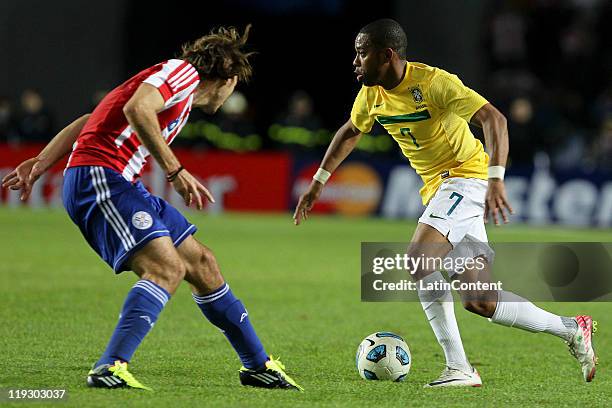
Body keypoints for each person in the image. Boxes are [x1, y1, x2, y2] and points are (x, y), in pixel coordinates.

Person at [294, 18, 597, 387]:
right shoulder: (372, 94)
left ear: (386, 55)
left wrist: (495, 180)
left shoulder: (434, 83)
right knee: (479, 299)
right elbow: (351, 130)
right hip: (440, 189)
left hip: (465, 178)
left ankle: (459, 368)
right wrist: (318, 182)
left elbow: (494, 119)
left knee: (418, 260)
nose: (355, 62)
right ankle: (571, 329)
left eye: (361, 53)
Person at [2, 25, 301, 391]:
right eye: (236, 82)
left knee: (202, 264)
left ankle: (257, 365)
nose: (233, 91)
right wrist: (174, 170)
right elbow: (135, 108)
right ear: (226, 75)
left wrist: (42, 160)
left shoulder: (176, 90)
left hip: (122, 183)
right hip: (101, 178)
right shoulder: (182, 72)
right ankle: (110, 367)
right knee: (165, 268)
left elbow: (92, 118)